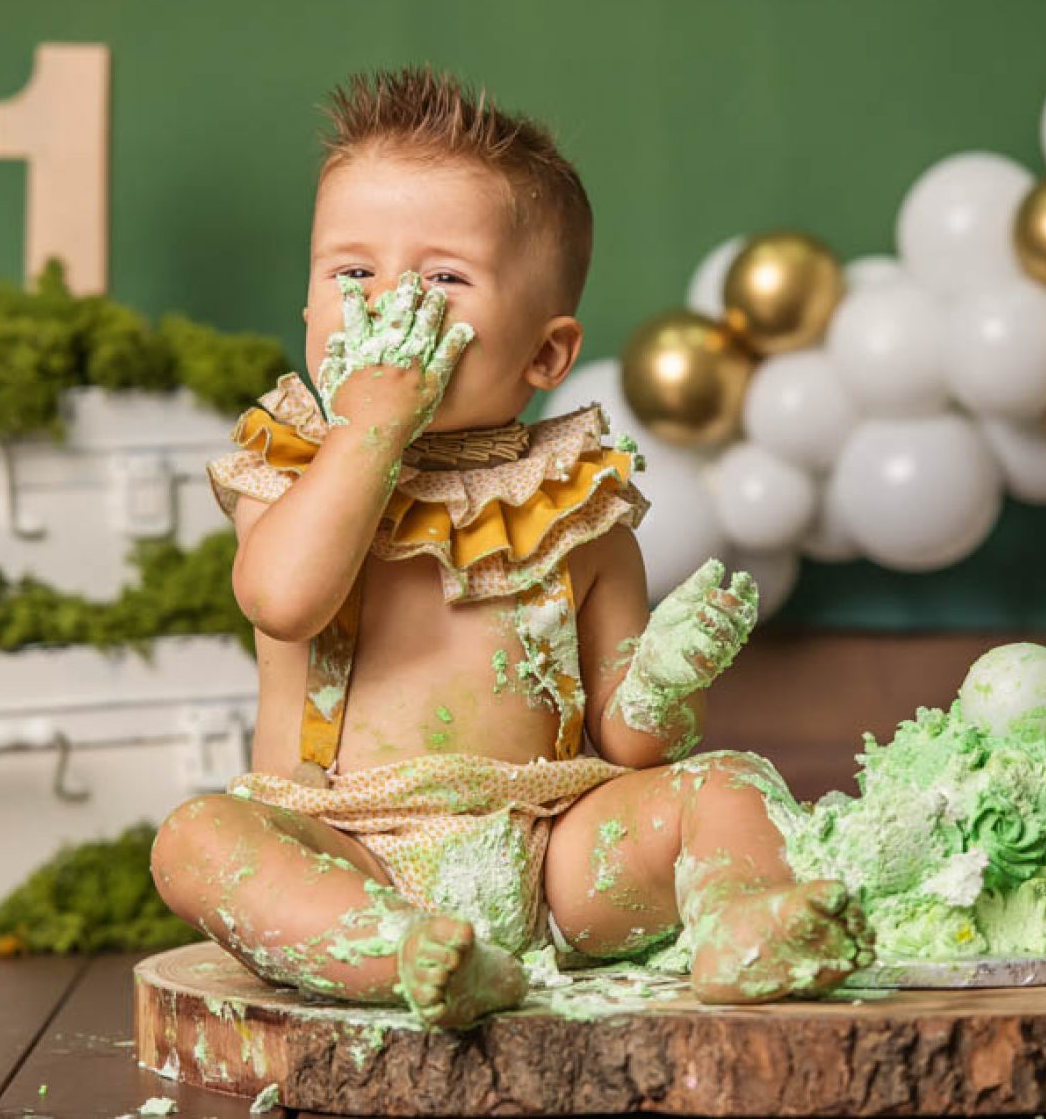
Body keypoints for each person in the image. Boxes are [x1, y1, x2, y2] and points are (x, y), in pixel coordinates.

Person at [150, 65, 870, 1030]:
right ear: (311, 317)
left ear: (544, 356)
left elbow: (629, 740)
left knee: (727, 784)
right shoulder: (293, 463)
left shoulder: (576, 501)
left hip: (554, 850)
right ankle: (403, 955)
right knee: (195, 841)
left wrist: (666, 675)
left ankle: (742, 927)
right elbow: (283, 601)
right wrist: (370, 430)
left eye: (443, 277)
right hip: (348, 845)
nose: (388, 303)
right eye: (351, 273)